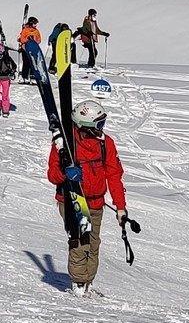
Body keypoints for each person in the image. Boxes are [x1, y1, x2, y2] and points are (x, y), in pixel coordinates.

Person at [47, 96, 135, 285]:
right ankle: (79, 283)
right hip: (73, 200)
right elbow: (52, 175)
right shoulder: (65, 144)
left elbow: (114, 175)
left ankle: (87, 281)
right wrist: (65, 172)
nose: (102, 129)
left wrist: (120, 207)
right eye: (99, 124)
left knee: (93, 244)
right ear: (85, 126)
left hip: (96, 202)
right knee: (80, 242)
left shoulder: (106, 143)